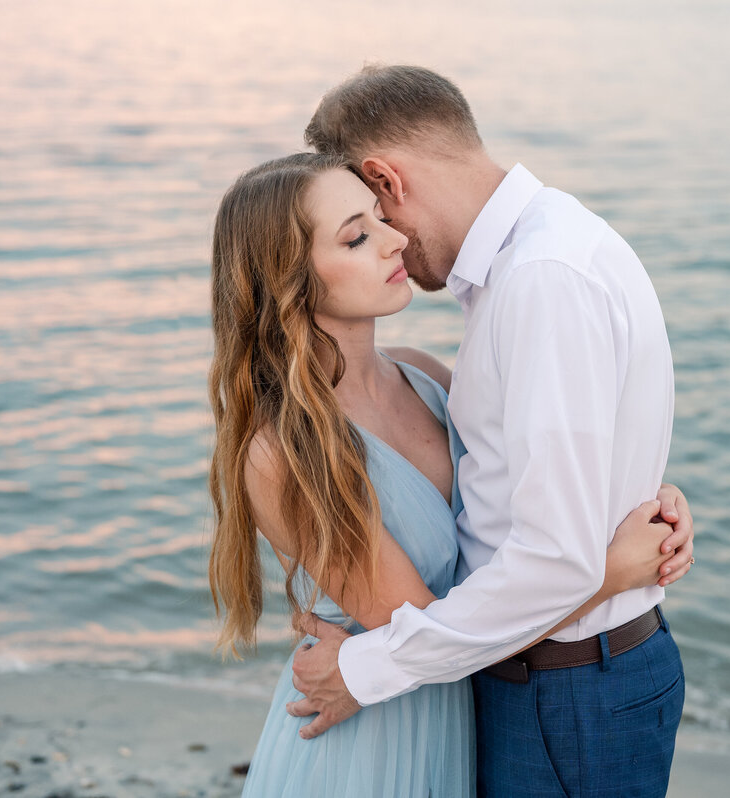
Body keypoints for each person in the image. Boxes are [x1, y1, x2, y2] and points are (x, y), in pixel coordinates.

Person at [206, 152, 694, 797]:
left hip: (456, 708)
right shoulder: (288, 453)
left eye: (383, 217)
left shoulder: (424, 375)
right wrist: (609, 574)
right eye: (357, 236)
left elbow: (526, 495)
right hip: (377, 743)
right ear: (287, 279)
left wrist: (646, 497)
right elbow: (424, 623)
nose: (395, 240)